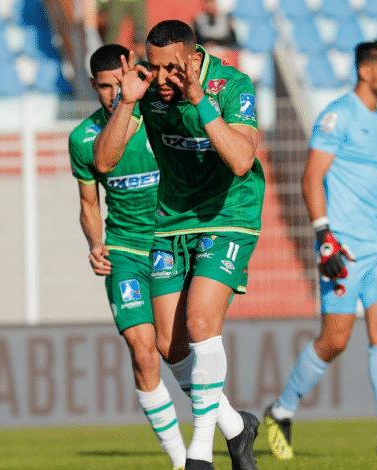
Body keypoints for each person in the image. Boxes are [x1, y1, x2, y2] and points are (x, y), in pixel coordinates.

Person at [92, 20, 263, 470]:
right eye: (154, 67)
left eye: (171, 68)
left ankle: (199, 454)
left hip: (229, 216)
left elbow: (242, 160)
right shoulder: (148, 91)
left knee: (201, 322)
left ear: (193, 58)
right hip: (172, 222)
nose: (162, 78)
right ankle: (236, 426)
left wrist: (200, 101)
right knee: (170, 347)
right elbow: (103, 162)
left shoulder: (232, 85)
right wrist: (127, 102)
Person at [262, 40, 377, 459]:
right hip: (344, 247)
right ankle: (280, 411)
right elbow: (311, 178)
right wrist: (324, 237)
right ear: (366, 71)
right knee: (335, 339)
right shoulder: (337, 116)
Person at [69, 44, 191, 470]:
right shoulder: (83, 139)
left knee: (173, 348)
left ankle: (230, 422)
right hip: (123, 251)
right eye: (104, 87)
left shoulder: (157, 117)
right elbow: (88, 203)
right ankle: (181, 461)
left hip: (167, 244)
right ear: (94, 85)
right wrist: (94, 243)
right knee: (143, 352)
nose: (112, 94)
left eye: (118, 85)